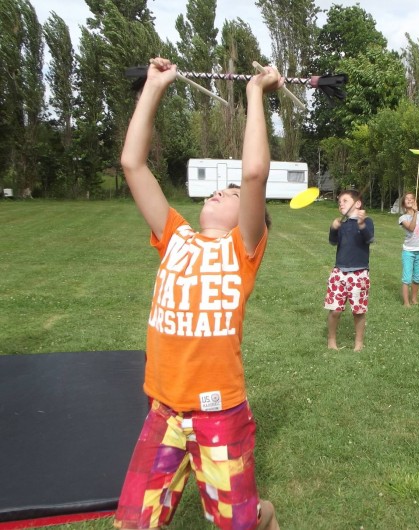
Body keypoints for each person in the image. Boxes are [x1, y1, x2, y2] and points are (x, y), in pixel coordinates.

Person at [114, 57, 283, 530]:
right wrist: (154, 87)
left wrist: (254, 93)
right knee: (134, 523)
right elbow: (132, 164)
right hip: (163, 409)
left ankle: (263, 514)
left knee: (238, 525)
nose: (222, 193)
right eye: (220, 190)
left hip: (220, 413)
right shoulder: (175, 236)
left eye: (232, 194)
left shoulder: (242, 249)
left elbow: (254, 174)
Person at [324, 189, 375, 351]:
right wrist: (333, 228)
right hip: (339, 272)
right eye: (339, 202)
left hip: (359, 273)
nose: (341, 204)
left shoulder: (367, 221)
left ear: (357, 203)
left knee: (358, 311)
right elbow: (333, 242)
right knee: (335, 310)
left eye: (345, 201)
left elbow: (369, 238)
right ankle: (331, 340)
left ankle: (358, 343)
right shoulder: (342, 225)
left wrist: (361, 225)